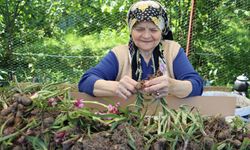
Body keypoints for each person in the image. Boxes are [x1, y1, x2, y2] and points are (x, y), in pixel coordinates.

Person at [78, 0, 203, 100]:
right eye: (139, 29)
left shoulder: (172, 50)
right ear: (130, 29)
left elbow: (197, 85)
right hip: (127, 119)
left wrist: (173, 86)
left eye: (154, 30)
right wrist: (116, 87)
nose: (146, 36)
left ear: (162, 30)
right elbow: (85, 82)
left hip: (166, 118)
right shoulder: (119, 55)